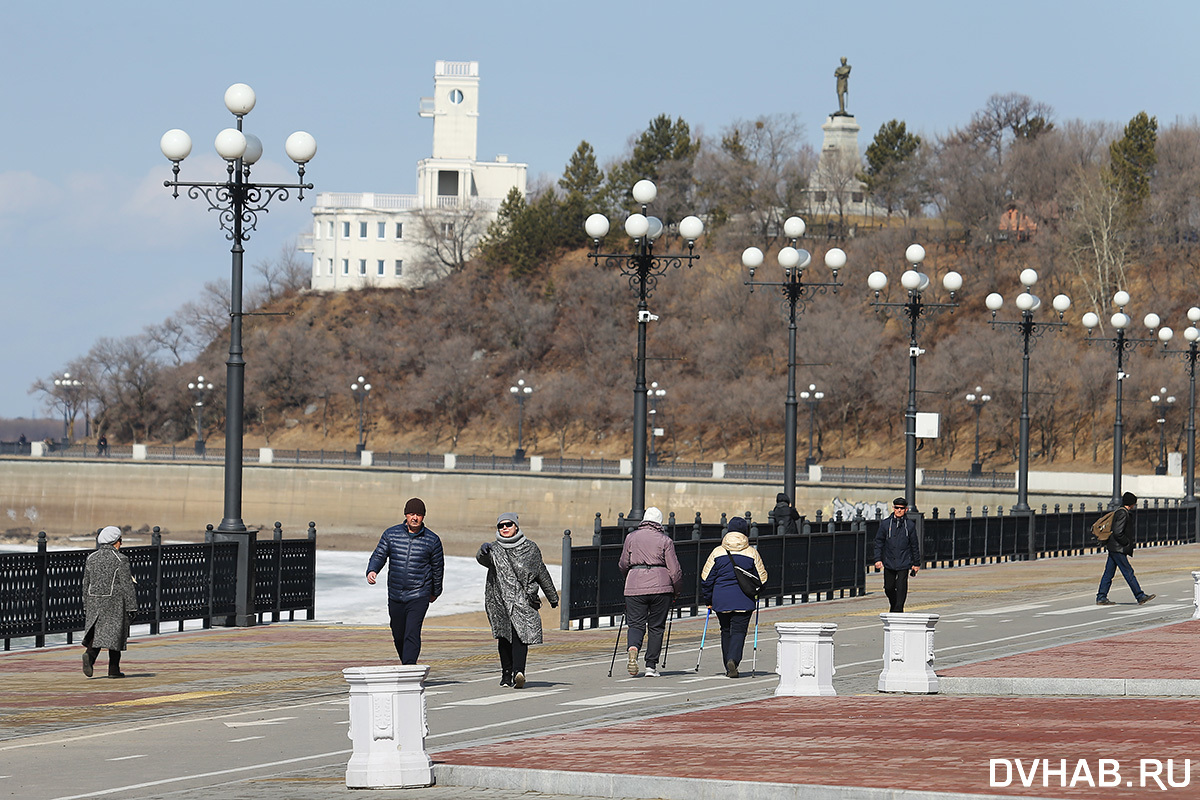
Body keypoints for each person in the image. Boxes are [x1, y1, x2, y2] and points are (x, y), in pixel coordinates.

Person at [476, 512, 559, 689]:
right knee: (504, 637)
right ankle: (506, 673)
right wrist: (482, 551)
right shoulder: (494, 549)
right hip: (498, 601)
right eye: (501, 525)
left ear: (516, 527)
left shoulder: (531, 548)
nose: (505, 528)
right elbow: (482, 559)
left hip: (522, 599)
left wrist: (552, 597)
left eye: (508, 524)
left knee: (520, 635)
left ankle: (518, 672)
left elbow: (541, 572)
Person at [367, 497, 444, 665]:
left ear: (423, 517)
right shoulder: (391, 534)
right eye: (411, 514)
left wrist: (435, 592)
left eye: (418, 514)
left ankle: (409, 667)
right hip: (395, 593)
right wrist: (372, 570)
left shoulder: (432, 540)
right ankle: (406, 664)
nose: (414, 518)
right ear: (406, 515)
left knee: (412, 632)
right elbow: (379, 554)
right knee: (398, 633)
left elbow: (438, 568)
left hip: (419, 593)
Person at [618, 507, 682, 678]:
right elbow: (674, 570)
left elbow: (623, 563)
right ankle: (651, 666)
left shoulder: (631, 537)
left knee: (635, 624)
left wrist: (631, 577)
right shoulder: (665, 541)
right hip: (661, 587)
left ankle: (633, 649)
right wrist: (676, 590)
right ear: (660, 522)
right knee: (656, 627)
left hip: (635, 585)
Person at [701, 517, 768, 678]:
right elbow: (763, 579)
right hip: (744, 599)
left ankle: (728, 665)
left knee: (725, 631)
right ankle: (734, 659)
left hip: (721, 599)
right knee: (739, 631)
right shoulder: (752, 552)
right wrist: (757, 593)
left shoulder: (717, 552)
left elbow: (706, 579)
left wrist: (708, 600)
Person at [82, 526, 138, 678]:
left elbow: (85, 583)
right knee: (116, 635)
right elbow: (127, 585)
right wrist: (132, 606)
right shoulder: (121, 559)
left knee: (98, 633)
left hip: (94, 600)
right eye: (120, 540)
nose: (121, 543)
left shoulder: (91, 558)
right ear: (115, 541)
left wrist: (86, 604)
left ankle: (90, 655)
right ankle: (113, 670)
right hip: (115, 602)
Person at [1097, 492, 1156, 606]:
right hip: (1118, 548)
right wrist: (1126, 543)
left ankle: (1101, 596)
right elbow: (1118, 532)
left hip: (1114, 547)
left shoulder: (1120, 512)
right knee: (1128, 572)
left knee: (1108, 573)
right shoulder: (1123, 513)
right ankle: (1140, 596)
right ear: (1132, 503)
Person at [873, 497, 921, 613]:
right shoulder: (886, 524)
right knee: (889, 588)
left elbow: (914, 544)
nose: (899, 510)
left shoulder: (909, 525)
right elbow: (879, 542)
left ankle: (899, 609)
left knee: (901, 587)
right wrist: (877, 559)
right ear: (893, 508)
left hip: (904, 561)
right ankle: (894, 604)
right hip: (889, 561)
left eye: (902, 508)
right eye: (897, 508)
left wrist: (916, 563)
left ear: (906, 509)